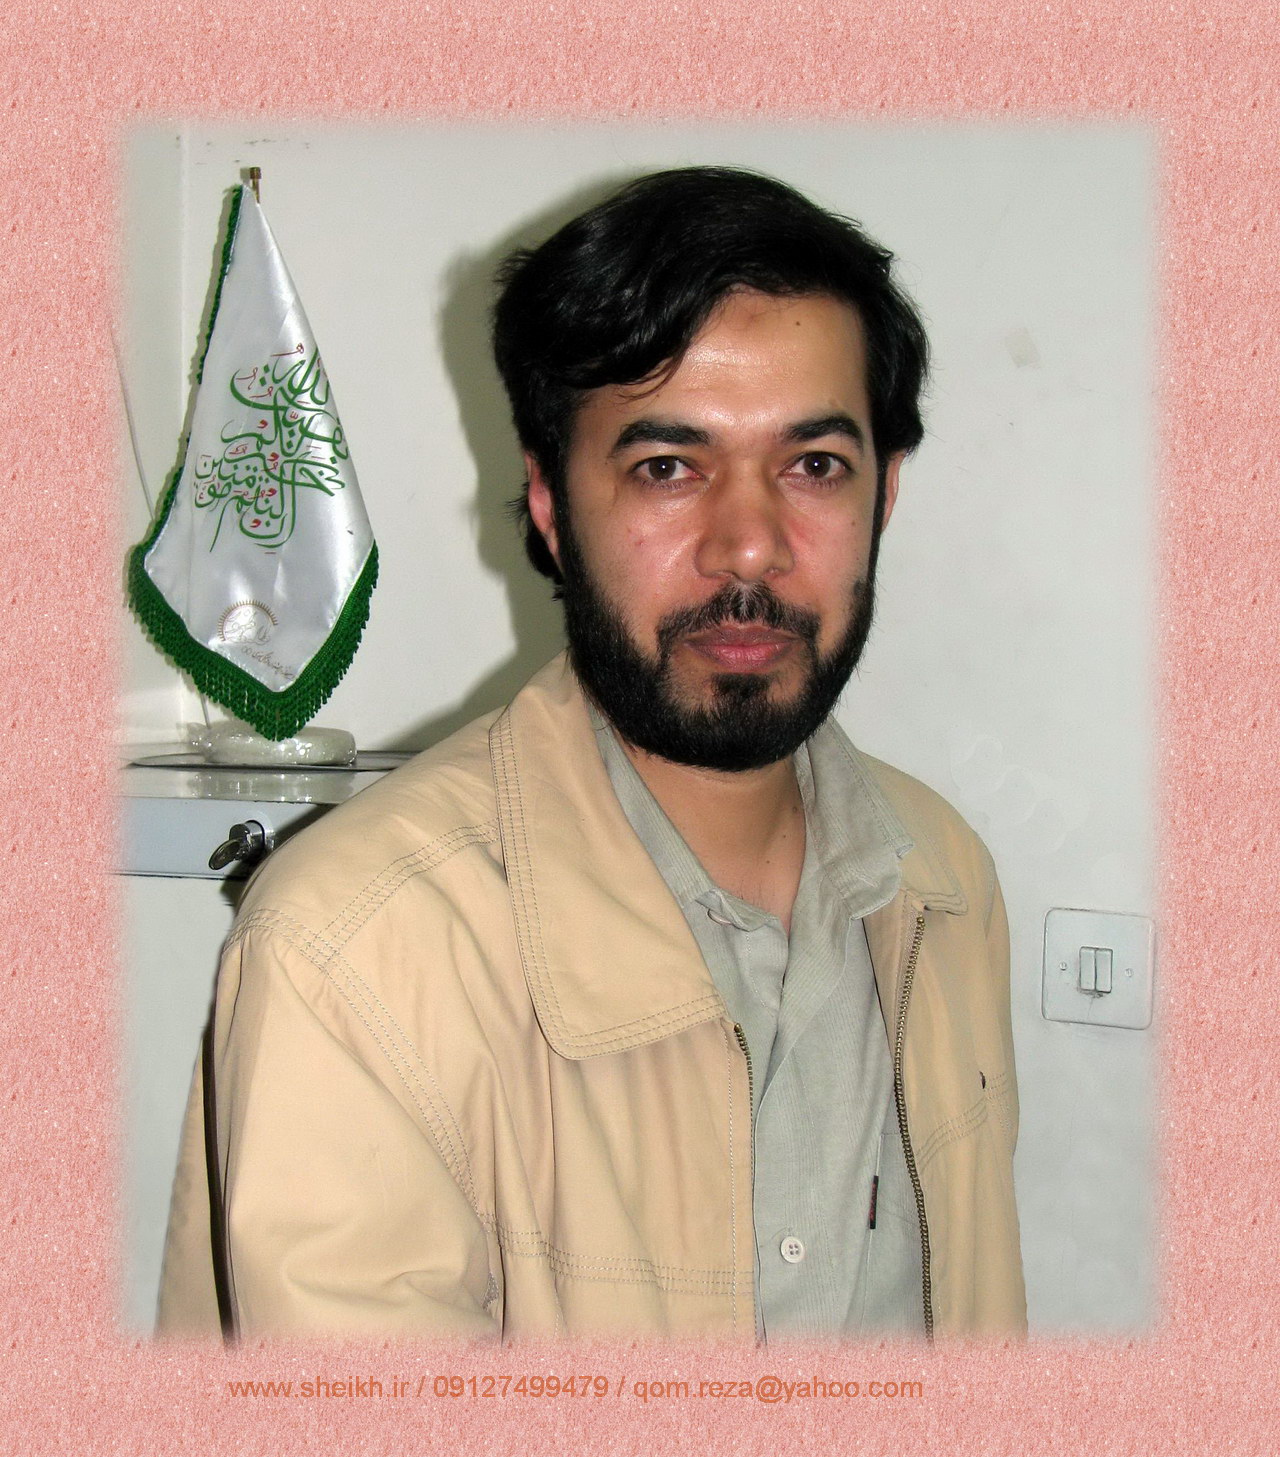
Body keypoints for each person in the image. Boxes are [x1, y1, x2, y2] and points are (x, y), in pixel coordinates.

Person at [157, 166, 1025, 1342]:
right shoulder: (354, 947)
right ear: (550, 506)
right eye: (666, 465)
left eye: (813, 464)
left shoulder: (943, 880)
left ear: (883, 495)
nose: (749, 547)